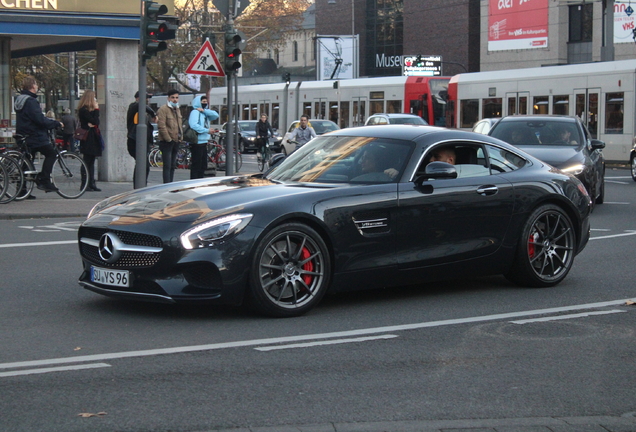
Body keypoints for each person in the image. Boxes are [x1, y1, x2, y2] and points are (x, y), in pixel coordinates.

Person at [14, 76, 64, 194]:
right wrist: (55, 123)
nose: (37, 87)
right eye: (36, 84)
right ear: (32, 86)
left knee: (27, 162)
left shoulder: (19, 100)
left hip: (23, 135)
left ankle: (21, 190)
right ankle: (44, 179)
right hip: (34, 135)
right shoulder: (31, 101)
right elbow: (39, 120)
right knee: (51, 154)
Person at [127, 91, 156, 183]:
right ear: (137, 98)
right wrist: (153, 113)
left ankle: (141, 183)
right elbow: (138, 106)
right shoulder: (134, 107)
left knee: (143, 165)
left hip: (143, 141)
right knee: (142, 164)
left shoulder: (142, 112)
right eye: (145, 98)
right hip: (135, 140)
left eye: (147, 98)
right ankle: (138, 184)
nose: (147, 100)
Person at [188, 94, 219, 179]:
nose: (205, 103)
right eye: (203, 102)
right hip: (197, 142)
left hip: (204, 141)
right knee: (196, 164)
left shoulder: (204, 113)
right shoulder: (195, 112)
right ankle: (194, 181)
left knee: (203, 165)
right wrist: (206, 130)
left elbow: (216, 115)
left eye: (206, 102)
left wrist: (204, 111)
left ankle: (200, 180)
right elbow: (193, 125)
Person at [77, 90, 103, 192]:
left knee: (91, 161)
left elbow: (96, 122)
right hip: (88, 137)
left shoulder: (88, 110)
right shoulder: (84, 110)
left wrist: (93, 121)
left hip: (92, 136)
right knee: (87, 161)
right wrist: (96, 109)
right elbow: (95, 121)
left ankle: (91, 183)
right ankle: (85, 183)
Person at [157, 89, 183, 183]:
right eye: (172, 97)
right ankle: (166, 185)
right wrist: (168, 139)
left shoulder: (177, 109)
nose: (175, 100)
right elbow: (161, 126)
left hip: (176, 140)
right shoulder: (163, 109)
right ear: (168, 98)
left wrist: (180, 138)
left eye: (176, 97)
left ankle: (170, 184)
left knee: (172, 165)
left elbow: (179, 124)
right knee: (167, 166)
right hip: (167, 142)